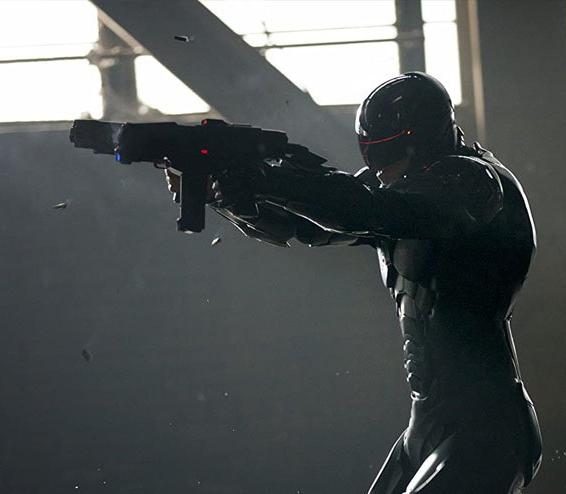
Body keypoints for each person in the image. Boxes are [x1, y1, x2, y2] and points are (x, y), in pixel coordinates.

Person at [165, 72, 542, 493]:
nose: (380, 170)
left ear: (421, 139)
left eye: (388, 154)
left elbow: (369, 210)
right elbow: (309, 226)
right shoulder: (400, 188)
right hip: (429, 425)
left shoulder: (475, 183)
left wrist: (267, 180)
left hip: (485, 427)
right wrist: (225, 195)